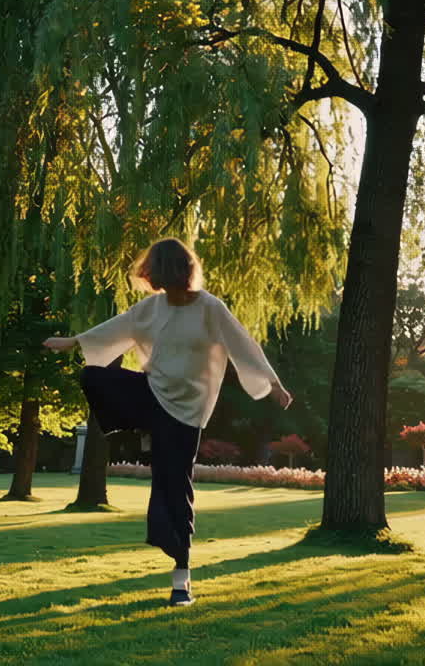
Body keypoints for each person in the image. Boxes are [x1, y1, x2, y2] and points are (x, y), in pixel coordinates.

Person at [43, 238, 292, 607]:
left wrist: (273, 385)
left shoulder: (210, 308)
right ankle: (139, 427)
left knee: (173, 487)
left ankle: (181, 580)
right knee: (94, 376)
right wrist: (73, 341)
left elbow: (244, 346)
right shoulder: (152, 307)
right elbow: (114, 329)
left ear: (182, 274)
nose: (164, 288)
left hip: (186, 411)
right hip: (151, 394)